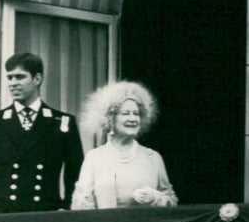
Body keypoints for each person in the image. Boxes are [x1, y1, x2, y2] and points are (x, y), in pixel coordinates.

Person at [0, 52, 84, 214]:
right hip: (1, 215)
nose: (13, 83)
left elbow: (74, 175)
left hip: (45, 214)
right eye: (10, 77)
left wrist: (67, 208)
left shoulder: (62, 122)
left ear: (37, 79)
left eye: (20, 77)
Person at [71, 81, 177, 209]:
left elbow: (172, 204)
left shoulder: (153, 158)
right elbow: (81, 206)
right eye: (125, 113)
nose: (132, 119)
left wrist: (155, 198)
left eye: (136, 113)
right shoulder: (94, 158)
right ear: (110, 118)